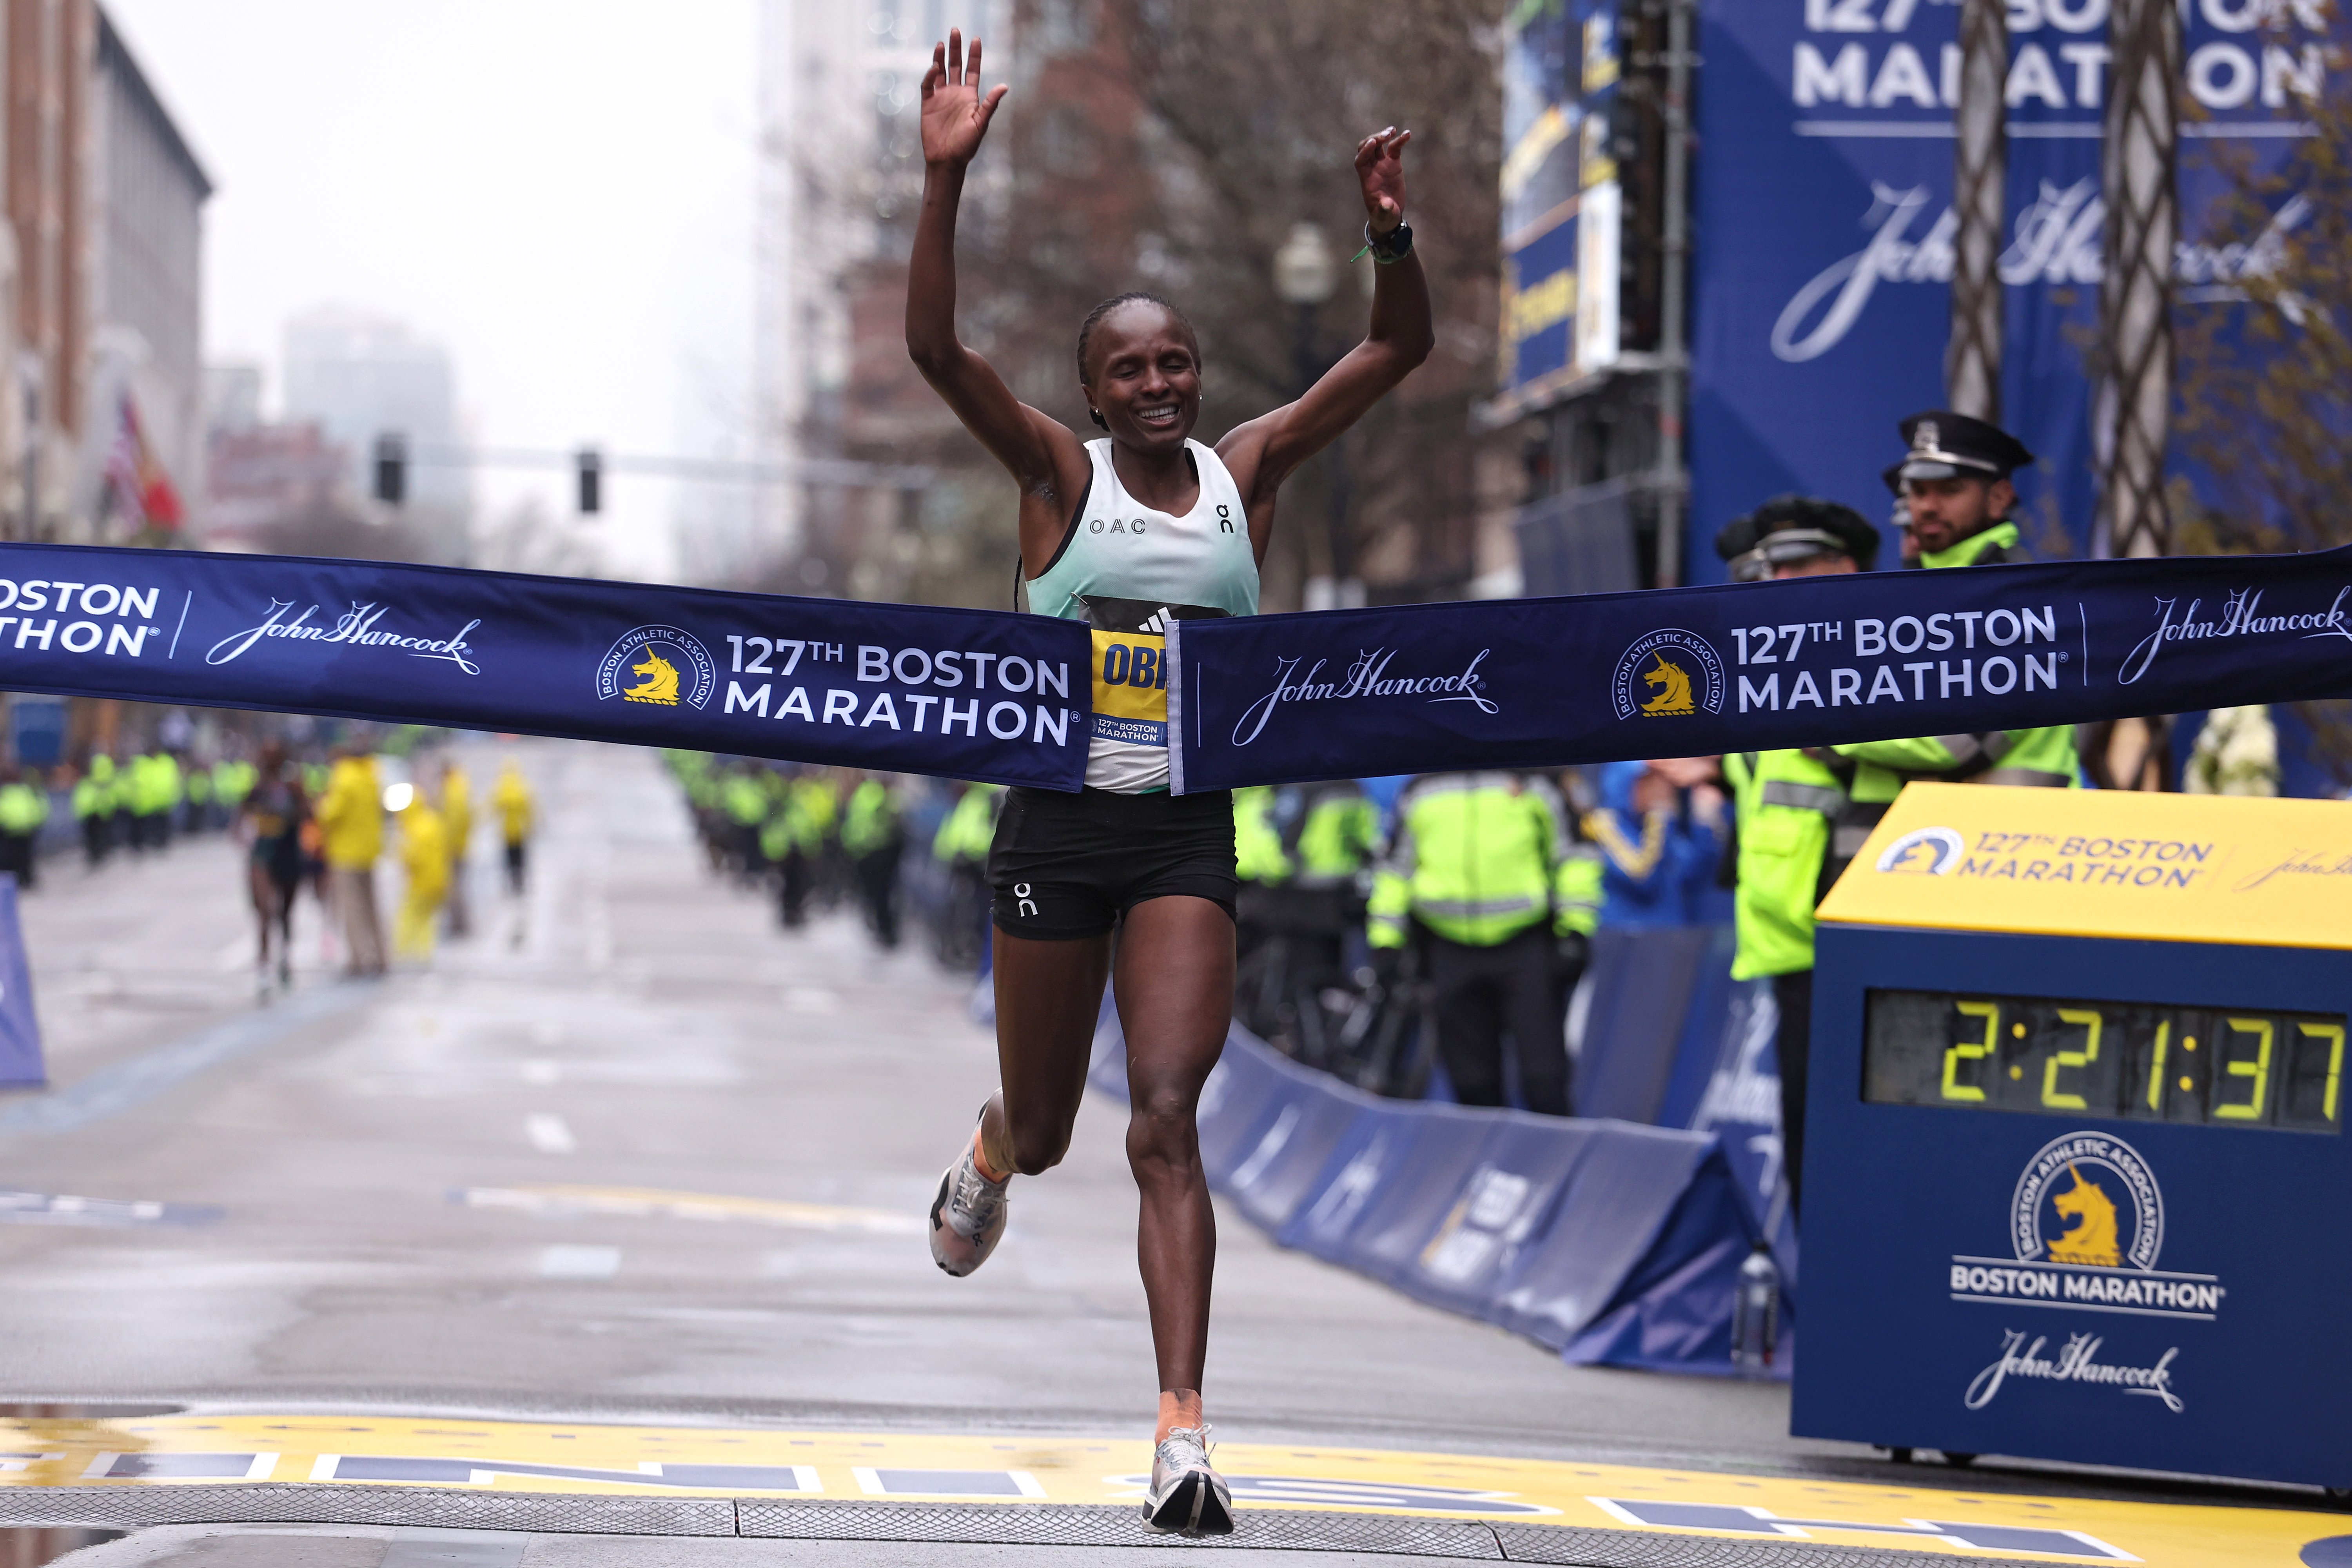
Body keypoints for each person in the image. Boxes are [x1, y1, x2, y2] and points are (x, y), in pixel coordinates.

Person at [906, 29, 1431, 1535]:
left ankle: (1181, 1433)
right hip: (1054, 831)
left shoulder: (1241, 475)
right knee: (1058, 1121)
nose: (1155, 382)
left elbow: (1395, 353)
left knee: (1166, 1119)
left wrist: (1384, 233)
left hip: (1184, 832)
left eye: (1174, 362)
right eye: (1127, 367)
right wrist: (944, 182)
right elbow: (939, 357)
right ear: (1089, 390)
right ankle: (995, 1144)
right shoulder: (1055, 485)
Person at [1713, 496, 1894, 1220]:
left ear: (1844, 570)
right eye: (1761, 573)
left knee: (1844, 1153)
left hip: (1848, 938)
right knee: (1805, 1145)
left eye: (1789, 568)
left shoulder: (1862, 665)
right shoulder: (1760, 677)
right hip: (1786, 945)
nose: (1768, 586)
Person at [1861, 410, 2080, 788]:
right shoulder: (1918, 593)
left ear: (1999, 498)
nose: (1928, 506)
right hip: (1939, 836)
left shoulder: (2022, 598)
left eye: (1950, 490)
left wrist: (1826, 735)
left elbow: (1957, 747)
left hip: (2023, 834)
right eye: (1917, 491)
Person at [1366, 772, 1601, 1115]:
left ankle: (1553, 1163)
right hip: (1448, 947)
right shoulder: (1422, 789)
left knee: (1544, 1078)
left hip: (1525, 945)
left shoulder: (1536, 780)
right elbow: (1395, 869)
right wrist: (1386, 941)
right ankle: (1487, 1165)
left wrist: (1576, 930)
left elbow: (1575, 855)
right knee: (1472, 1082)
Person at [237, 742, 308, 996]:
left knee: (285, 914)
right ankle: (264, 969)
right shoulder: (257, 789)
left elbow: (308, 813)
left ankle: (285, 959)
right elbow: (241, 818)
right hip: (263, 855)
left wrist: (288, 815)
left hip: (287, 853)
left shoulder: (293, 787)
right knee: (265, 913)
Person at [314, 744, 388, 978]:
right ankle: (382, 956)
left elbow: (331, 813)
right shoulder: (371, 775)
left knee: (353, 910)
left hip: (346, 854)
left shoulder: (345, 777)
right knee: (372, 907)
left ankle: (358, 960)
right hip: (369, 852)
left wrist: (319, 805)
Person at [842, 771, 907, 951]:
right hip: (877, 850)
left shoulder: (863, 792)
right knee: (881, 893)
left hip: (862, 851)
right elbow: (893, 818)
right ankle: (885, 930)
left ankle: (881, 927)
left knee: (874, 893)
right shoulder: (883, 795)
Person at [0, 766, 49, 891]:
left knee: (12, 859)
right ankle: (25, 880)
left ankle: (19, 882)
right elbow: (37, 809)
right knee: (24, 859)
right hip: (24, 831)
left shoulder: (6, 793)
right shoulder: (26, 792)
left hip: (10, 832)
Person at [441, 759, 474, 937]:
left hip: (454, 846)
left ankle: (459, 924)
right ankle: (461, 923)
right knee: (458, 886)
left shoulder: (453, 789)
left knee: (454, 887)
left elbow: (455, 821)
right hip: (461, 844)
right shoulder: (461, 785)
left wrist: (448, 844)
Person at [492, 757, 535, 895]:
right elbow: (530, 808)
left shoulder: (500, 786)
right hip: (520, 831)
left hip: (506, 831)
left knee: (509, 859)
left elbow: (494, 807)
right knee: (521, 859)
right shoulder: (523, 786)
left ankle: (510, 884)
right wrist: (531, 826)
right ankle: (520, 884)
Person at [73, 753, 118, 868]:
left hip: (95, 811)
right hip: (95, 811)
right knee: (97, 835)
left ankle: (97, 855)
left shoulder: (88, 782)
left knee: (96, 836)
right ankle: (97, 854)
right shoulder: (91, 783)